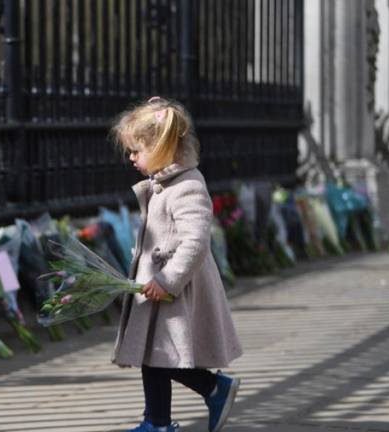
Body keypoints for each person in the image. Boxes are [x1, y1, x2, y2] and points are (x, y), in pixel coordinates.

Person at [110, 97, 244, 432]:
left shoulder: (187, 186)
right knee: (152, 355)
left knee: (165, 355)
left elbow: (196, 242)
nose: (131, 158)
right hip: (155, 287)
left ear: (160, 148)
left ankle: (214, 388)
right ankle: (156, 421)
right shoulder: (163, 184)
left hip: (175, 291)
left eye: (136, 151)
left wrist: (168, 280)